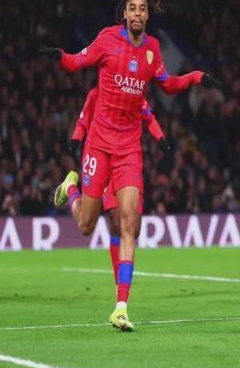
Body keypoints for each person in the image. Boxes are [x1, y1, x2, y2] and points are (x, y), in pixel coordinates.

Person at [40, 0, 221, 331]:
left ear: (147, 16)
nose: (137, 13)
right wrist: (60, 56)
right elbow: (77, 62)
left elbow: (168, 85)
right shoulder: (107, 39)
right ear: (124, 14)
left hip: (128, 149)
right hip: (99, 145)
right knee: (86, 226)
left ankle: (121, 307)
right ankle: (71, 189)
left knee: (129, 224)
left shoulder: (153, 48)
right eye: (132, 9)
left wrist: (195, 77)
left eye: (142, 9)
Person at [68, 86, 169, 285]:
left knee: (131, 229)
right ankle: (71, 188)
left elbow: (148, 116)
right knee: (99, 223)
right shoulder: (95, 95)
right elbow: (82, 122)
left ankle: (120, 285)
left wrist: (160, 138)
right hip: (100, 156)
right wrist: (75, 140)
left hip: (123, 158)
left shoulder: (132, 92)